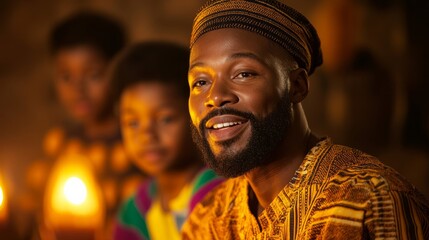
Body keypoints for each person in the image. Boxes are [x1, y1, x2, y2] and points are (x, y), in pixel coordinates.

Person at [182, 0, 429, 239]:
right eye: (201, 82)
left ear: (297, 86)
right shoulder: (209, 217)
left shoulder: (370, 200)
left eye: (244, 74)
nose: (215, 97)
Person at [24, 11, 141, 239]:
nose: (78, 90)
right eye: (66, 77)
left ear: (118, 71)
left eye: (93, 75)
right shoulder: (59, 144)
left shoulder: (137, 144)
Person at [111, 42, 223, 240]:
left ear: (196, 114)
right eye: (132, 123)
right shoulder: (136, 209)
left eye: (165, 119)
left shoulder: (214, 191)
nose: (147, 135)